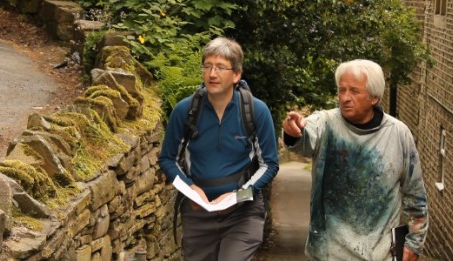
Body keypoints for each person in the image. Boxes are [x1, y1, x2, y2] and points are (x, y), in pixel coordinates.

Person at [282, 59, 428, 261]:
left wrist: (414, 243)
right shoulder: (326, 123)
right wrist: (294, 133)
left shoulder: (398, 134)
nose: (345, 98)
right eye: (341, 90)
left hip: (379, 254)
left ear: (374, 97)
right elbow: (305, 138)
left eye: (354, 91)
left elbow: (415, 195)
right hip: (328, 253)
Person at [158, 36, 279, 261]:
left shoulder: (256, 111)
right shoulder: (185, 111)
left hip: (242, 213)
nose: (212, 74)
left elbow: (269, 165)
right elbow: (167, 159)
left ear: (236, 75)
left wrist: (238, 196)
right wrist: (190, 188)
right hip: (197, 214)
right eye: (208, 66)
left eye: (221, 67)